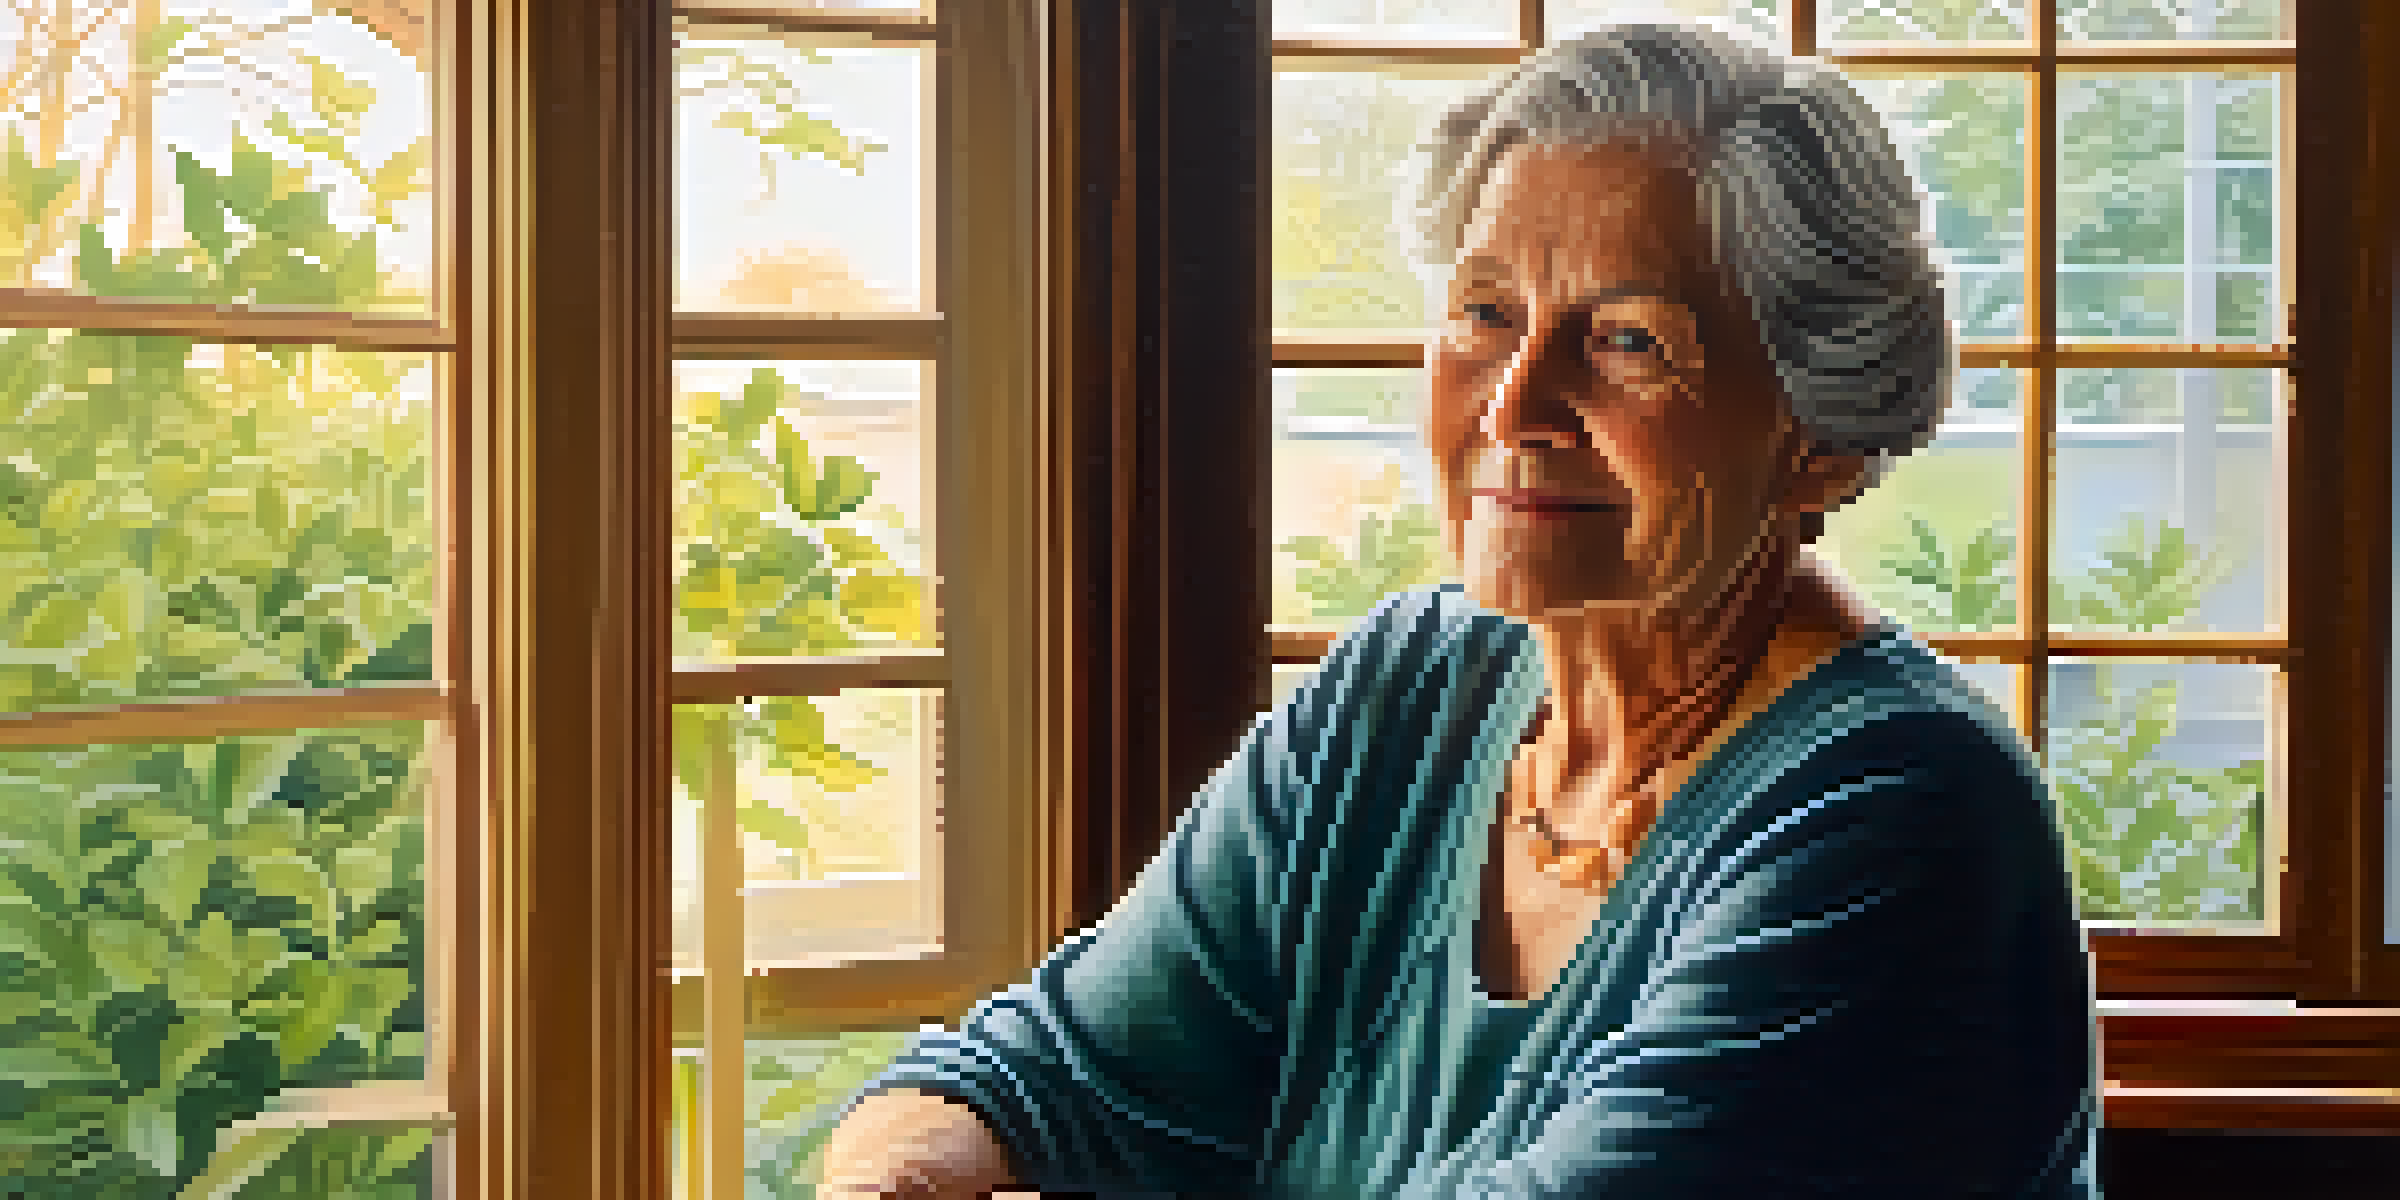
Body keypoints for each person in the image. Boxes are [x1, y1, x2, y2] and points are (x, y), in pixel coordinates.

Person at [822, 19, 2101, 1198]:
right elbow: (1044, 1067)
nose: (1512, 408)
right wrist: (900, 1179)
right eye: (1486, 314)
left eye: (1630, 342)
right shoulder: (1409, 689)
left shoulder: (1901, 814)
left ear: (1819, 433)